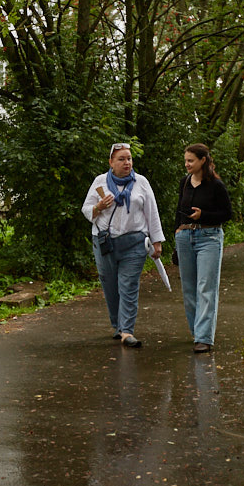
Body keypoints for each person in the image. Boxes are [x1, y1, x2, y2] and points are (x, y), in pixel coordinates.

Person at [82, 142, 165, 348]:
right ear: (111, 162)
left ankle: (127, 331)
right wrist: (98, 207)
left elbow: (152, 212)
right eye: (121, 159)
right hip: (105, 243)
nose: (127, 162)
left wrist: (157, 241)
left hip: (134, 243)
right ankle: (118, 325)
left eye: (129, 158)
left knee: (128, 286)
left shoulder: (141, 182)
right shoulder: (100, 181)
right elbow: (86, 209)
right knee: (110, 286)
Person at [173, 143, 232, 352]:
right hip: (184, 237)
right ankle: (196, 331)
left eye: (191, 160)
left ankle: (204, 338)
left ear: (202, 160)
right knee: (189, 289)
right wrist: (176, 236)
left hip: (209, 237)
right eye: (185, 161)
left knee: (205, 287)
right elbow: (179, 210)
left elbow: (227, 214)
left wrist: (203, 215)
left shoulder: (216, 185)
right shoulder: (185, 183)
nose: (187, 164)